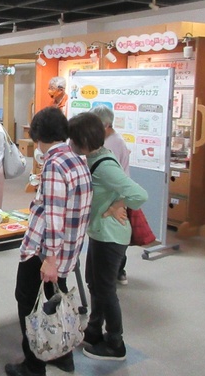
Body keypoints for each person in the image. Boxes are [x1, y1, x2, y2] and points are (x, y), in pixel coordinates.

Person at [5, 107, 92, 376]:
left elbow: (54, 216)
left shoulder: (54, 165)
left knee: (28, 302)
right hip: (69, 248)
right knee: (57, 300)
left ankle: (34, 364)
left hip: (45, 252)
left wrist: (50, 259)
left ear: (38, 135)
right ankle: (63, 355)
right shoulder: (77, 159)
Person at [68, 112, 148, 362]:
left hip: (111, 236)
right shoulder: (96, 156)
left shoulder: (104, 165)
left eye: (73, 139)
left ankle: (115, 342)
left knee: (105, 289)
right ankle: (94, 330)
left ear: (83, 140)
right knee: (94, 283)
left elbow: (139, 194)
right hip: (100, 233)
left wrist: (117, 205)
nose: (70, 143)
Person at [90, 105, 131, 285]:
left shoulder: (114, 142)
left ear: (106, 125)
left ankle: (117, 270)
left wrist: (119, 203)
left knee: (112, 235)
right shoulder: (108, 140)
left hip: (114, 198)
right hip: (107, 196)